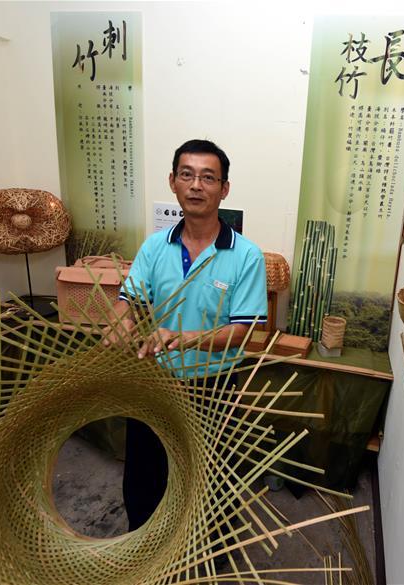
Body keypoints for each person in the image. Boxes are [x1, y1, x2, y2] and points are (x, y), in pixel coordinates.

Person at [105, 139, 267, 530]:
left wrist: (186, 338)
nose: (196, 185)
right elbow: (131, 297)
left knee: (210, 476)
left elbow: (245, 333)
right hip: (155, 380)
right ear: (173, 182)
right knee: (145, 473)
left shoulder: (246, 255)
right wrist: (120, 320)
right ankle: (143, 548)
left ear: (224, 188)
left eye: (208, 177)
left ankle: (208, 550)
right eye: (187, 175)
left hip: (213, 386)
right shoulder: (155, 247)